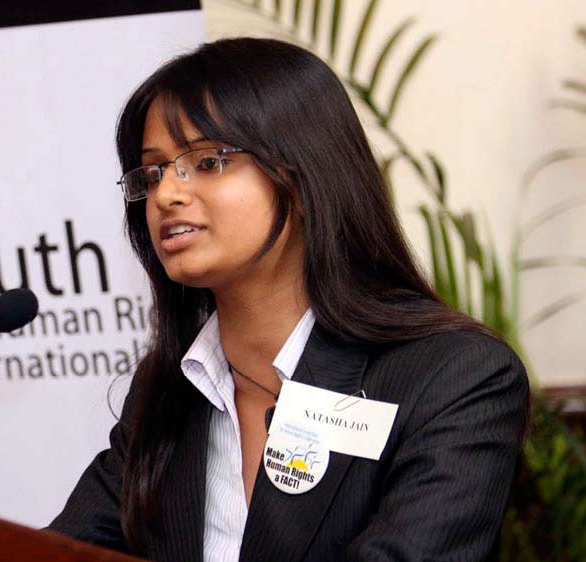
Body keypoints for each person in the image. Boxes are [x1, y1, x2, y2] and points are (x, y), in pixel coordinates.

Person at [47, 38, 528, 562]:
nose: (166, 195)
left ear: (300, 177)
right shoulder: (168, 390)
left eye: (207, 162)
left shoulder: (452, 378)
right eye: (154, 171)